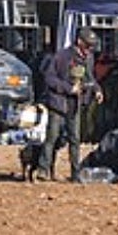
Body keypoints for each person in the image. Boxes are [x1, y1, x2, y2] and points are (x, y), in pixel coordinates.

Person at [35, 27, 102, 183]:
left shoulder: (89, 58)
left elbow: (90, 78)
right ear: (79, 42)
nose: (90, 49)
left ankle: (75, 173)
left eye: (92, 46)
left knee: (75, 139)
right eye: (87, 46)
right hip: (58, 102)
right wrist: (68, 88)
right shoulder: (61, 56)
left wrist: (97, 90)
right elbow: (49, 78)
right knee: (52, 137)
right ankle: (43, 169)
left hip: (75, 104)